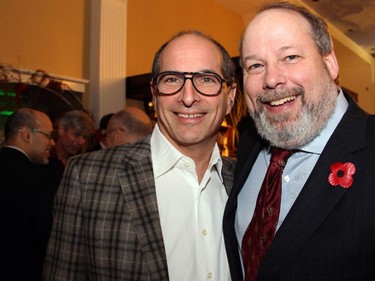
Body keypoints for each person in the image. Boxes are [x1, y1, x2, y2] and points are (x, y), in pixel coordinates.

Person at [43, 30, 237, 281]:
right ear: (154, 95)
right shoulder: (88, 177)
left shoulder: (248, 181)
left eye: (207, 79)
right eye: (171, 79)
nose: (188, 97)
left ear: (230, 97)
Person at [223, 1, 375, 281]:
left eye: (290, 57)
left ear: (329, 63)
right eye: (255, 65)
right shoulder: (249, 142)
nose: (271, 79)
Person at [0, 108, 57, 281]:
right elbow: (48, 237)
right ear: (26, 135)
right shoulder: (38, 179)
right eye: (48, 135)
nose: (53, 142)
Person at [48, 110, 95, 180]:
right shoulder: (44, 157)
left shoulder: (81, 163)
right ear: (61, 130)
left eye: (85, 137)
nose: (81, 142)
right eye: (76, 135)